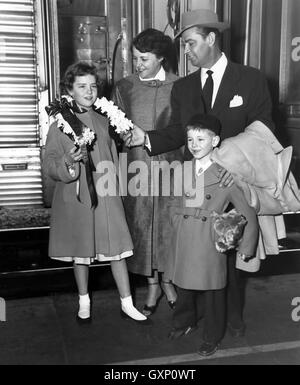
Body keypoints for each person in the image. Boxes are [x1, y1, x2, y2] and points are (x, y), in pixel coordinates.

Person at [123, 9, 274, 335]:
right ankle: (186, 318)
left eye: (191, 43)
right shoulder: (185, 87)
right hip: (194, 185)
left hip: (232, 182)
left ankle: (230, 317)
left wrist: (230, 162)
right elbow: (179, 131)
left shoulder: (250, 79)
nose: (186, 52)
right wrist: (145, 138)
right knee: (189, 252)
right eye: (184, 45)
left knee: (228, 251)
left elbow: (264, 130)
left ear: (211, 38)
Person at [43, 61, 149, 324]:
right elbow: (50, 163)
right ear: (70, 89)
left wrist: (120, 188)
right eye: (82, 86)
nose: (89, 92)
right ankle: (84, 301)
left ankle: (127, 302)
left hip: (105, 192)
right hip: (76, 195)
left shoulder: (103, 119)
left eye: (93, 86)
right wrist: (69, 160)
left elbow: (111, 156)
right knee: (81, 252)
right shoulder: (60, 123)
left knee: (117, 248)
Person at [166, 113, 258, 356]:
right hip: (185, 237)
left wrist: (247, 248)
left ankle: (212, 336)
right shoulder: (182, 170)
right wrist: (174, 226)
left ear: (215, 141)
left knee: (214, 292)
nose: (194, 145)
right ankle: (184, 322)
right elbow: (173, 202)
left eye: (201, 139)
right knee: (183, 286)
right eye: (190, 140)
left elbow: (247, 212)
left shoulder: (224, 176)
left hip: (208, 240)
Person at [112, 29, 182, 315]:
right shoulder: (124, 87)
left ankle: (169, 281)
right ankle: (152, 285)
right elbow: (113, 127)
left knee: (170, 225)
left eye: (144, 59)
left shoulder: (181, 86)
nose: (137, 64)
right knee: (141, 226)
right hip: (137, 167)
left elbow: (185, 130)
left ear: (161, 58)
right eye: (136, 58)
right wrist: (121, 136)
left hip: (172, 167)